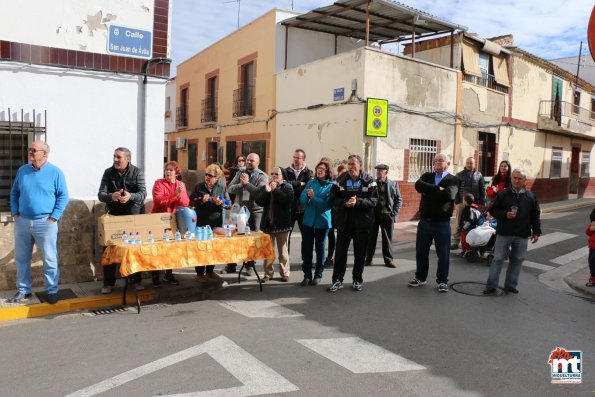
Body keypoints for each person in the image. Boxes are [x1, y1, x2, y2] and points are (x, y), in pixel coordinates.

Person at [8, 141, 69, 304]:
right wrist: (15, 213)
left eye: (34, 150)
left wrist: (54, 217)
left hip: (45, 222)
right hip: (23, 222)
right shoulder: (23, 170)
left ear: (45, 154)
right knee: (21, 258)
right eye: (29, 150)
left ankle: (51, 290)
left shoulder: (55, 172)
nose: (30, 152)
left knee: (49, 258)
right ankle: (23, 290)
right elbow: (14, 193)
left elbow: (63, 196)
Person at [483, 168, 541, 295]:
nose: (516, 180)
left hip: (522, 234)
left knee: (518, 259)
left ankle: (510, 285)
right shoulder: (503, 194)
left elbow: (535, 215)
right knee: (498, 259)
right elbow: (493, 210)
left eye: (520, 178)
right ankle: (491, 286)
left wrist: (536, 232)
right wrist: (505, 214)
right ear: (511, 178)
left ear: (525, 180)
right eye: (514, 178)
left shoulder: (530, 196)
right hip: (504, 233)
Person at [98, 147, 146, 293]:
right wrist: (112, 196)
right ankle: (108, 283)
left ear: (128, 158)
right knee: (109, 249)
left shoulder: (137, 172)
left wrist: (130, 196)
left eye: (119, 157)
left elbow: (143, 193)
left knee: (134, 249)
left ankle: (135, 281)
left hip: (133, 217)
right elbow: (101, 194)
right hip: (113, 216)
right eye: (114, 157)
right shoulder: (108, 172)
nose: (116, 160)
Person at [408, 153, 458, 293]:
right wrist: (436, 189)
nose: (437, 162)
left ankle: (442, 281)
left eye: (441, 160)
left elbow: (449, 195)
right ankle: (420, 277)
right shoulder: (427, 176)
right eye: (435, 160)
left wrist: (428, 192)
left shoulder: (453, 179)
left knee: (443, 254)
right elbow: (418, 185)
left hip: (442, 223)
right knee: (421, 251)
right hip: (425, 222)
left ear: (447, 163)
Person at [327, 154, 377, 292]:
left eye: (353, 164)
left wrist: (358, 202)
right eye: (348, 164)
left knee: (360, 253)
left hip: (362, 224)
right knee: (340, 253)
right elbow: (333, 198)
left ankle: (357, 280)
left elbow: (374, 201)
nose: (350, 167)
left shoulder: (369, 180)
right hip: (344, 223)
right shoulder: (340, 180)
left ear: (360, 165)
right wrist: (344, 203)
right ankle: (337, 280)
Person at [225, 152, 269, 274]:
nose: (249, 162)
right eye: (248, 160)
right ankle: (231, 265)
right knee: (235, 238)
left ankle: (250, 265)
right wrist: (240, 184)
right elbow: (230, 188)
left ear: (258, 163)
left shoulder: (263, 176)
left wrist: (247, 184)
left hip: (255, 212)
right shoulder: (240, 173)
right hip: (239, 211)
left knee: (251, 240)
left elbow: (260, 193)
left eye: (252, 161)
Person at [150, 161, 189, 286]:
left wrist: (179, 195)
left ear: (176, 173)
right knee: (157, 247)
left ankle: (169, 274)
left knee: (171, 248)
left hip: (174, 219)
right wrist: (175, 195)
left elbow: (185, 203)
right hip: (158, 219)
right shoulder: (159, 183)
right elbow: (158, 201)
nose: (168, 172)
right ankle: (155, 276)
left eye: (171, 170)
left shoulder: (181, 184)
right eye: (167, 170)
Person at [190, 163, 230, 282]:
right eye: (206, 174)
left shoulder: (222, 188)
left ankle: (210, 271)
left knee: (213, 248)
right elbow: (190, 201)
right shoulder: (199, 187)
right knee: (201, 248)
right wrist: (201, 199)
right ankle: (200, 273)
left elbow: (229, 204)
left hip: (216, 222)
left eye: (210, 175)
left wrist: (221, 203)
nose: (207, 177)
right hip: (201, 223)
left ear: (217, 178)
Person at [254, 167, 294, 282]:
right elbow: (259, 202)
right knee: (268, 251)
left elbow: (287, 200)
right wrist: (266, 192)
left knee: (283, 252)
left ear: (282, 176)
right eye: (272, 173)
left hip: (282, 225)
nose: (274, 175)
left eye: (277, 174)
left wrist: (275, 190)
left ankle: (285, 273)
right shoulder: (266, 186)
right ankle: (268, 274)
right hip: (268, 224)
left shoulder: (287, 187)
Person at [299, 159, 334, 286]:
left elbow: (326, 205)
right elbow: (302, 200)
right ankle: (307, 275)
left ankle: (318, 274)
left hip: (323, 222)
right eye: (318, 168)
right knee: (307, 248)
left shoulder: (331, 186)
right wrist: (308, 197)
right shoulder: (310, 183)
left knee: (320, 249)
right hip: (308, 221)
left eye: (322, 169)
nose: (319, 170)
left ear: (328, 171)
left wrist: (313, 198)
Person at [365, 163, 402, 268]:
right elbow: (367, 197)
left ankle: (388, 260)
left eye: (381, 171)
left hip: (387, 215)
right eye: (377, 171)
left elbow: (399, 200)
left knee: (387, 239)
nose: (379, 173)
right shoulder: (372, 183)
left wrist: (393, 213)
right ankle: (368, 259)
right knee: (371, 238)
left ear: (386, 172)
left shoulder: (393, 184)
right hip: (374, 216)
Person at [452, 157, 485, 250]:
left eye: (471, 163)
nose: (469, 165)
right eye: (467, 163)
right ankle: (455, 241)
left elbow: (482, 189)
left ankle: (471, 242)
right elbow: (455, 189)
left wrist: (482, 203)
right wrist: (457, 202)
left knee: (473, 222)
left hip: (475, 204)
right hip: (462, 203)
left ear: (475, 164)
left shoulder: (479, 175)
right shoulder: (459, 175)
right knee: (459, 222)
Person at [285, 149, 313, 251]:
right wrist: (299, 183)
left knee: (306, 237)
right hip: (289, 208)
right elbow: (285, 185)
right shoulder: (286, 171)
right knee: (286, 237)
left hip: (304, 209)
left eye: (298, 158)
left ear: (303, 159)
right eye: (294, 157)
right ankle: (285, 261)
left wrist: (292, 185)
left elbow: (308, 188)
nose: (295, 159)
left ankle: (305, 260)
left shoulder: (308, 173)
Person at [325, 163, 347, 268]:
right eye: (340, 172)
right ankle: (330, 257)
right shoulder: (334, 183)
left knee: (341, 237)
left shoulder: (347, 183)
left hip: (342, 214)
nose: (342, 174)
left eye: (344, 172)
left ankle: (336, 257)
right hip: (332, 213)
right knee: (330, 235)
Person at [586, 208, 595, 287]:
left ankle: (592, 279)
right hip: (592, 245)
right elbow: (588, 232)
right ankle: (592, 279)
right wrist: (591, 227)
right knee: (591, 261)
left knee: (593, 261)